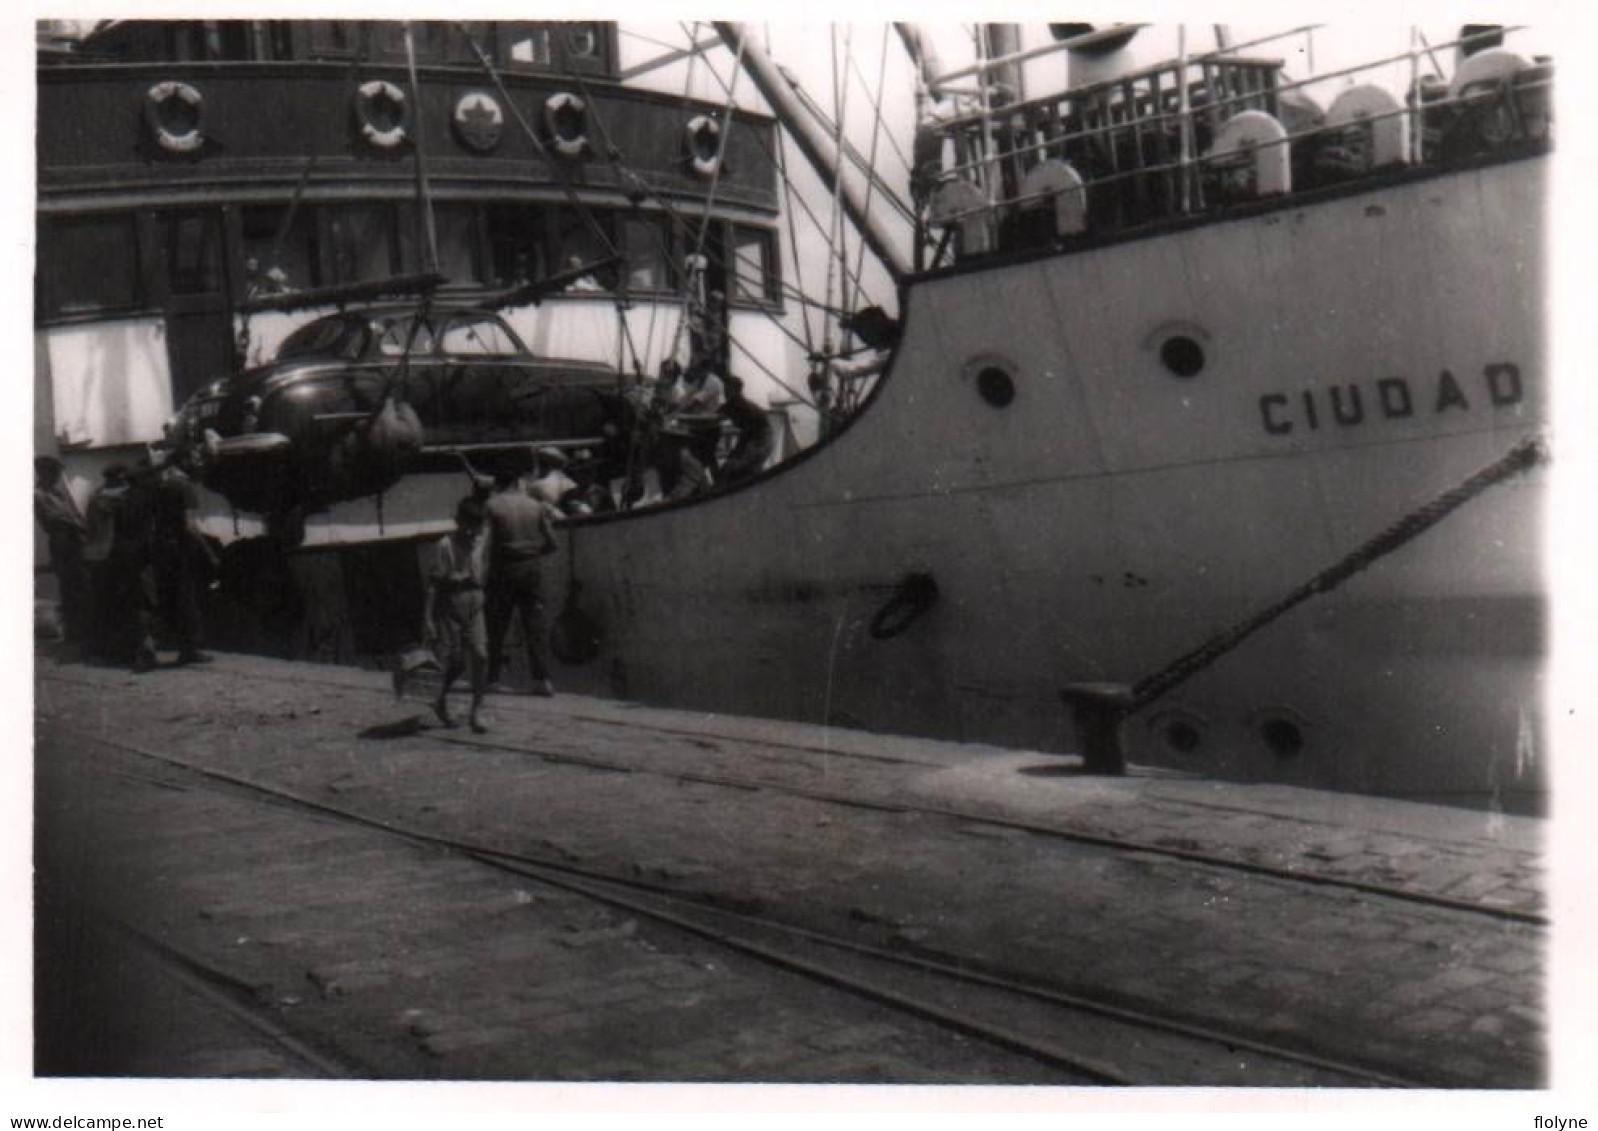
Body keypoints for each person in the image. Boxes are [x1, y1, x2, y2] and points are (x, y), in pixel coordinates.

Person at [483, 463, 560, 696]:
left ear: (497, 484)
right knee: (535, 625)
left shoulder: (492, 505)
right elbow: (553, 543)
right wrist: (533, 552)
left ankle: (493, 678)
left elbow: (485, 545)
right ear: (518, 482)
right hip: (531, 568)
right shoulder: (534, 505)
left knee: (496, 624)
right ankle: (542, 679)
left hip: (504, 567)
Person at [422, 496, 491, 732]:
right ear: (458, 521)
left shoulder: (483, 541)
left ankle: (477, 709)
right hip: (450, 606)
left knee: (481, 654)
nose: (472, 531)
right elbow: (433, 584)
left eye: (477, 525)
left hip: (475, 604)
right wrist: (428, 618)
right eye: (468, 524)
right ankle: (439, 700)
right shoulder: (444, 545)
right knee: (453, 662)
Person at [148, 452, 216, 666]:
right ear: (182, 462)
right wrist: (209, 553)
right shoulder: (184, 487)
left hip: (161, 548)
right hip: (180, 549)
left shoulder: (160, 486)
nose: (198, 462)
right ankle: (190, 649)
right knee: (187, 598)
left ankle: (163, 644)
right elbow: (189, 526)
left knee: (169, 598)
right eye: (194, 458)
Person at [34, 455, 89, 649]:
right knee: (70, 585)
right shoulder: (38, 495)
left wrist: (80, 523)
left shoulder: (57, 494)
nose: (57, 476)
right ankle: (74, 634)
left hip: (73, 539)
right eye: (54, 472)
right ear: (44, 472)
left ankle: (81, 630)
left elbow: (72, 514)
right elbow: (55, 518)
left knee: (80, 584)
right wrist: (78, 524)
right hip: (61, 540)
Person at [82, 464, 131, 661]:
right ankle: (110, 648)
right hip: (108, 555)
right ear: (120, 477)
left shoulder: (96, 496)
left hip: (95, 555)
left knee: (102, 603)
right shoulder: (112, 499)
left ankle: (100, 646)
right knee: (114, 603)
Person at [718, 375, 776, 484]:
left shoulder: (743, 407)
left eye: (728, 390)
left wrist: (736, 454)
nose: (725, 393)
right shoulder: (730, 405)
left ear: (736, 390)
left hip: (761, 440)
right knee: (731, 468)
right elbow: (715, 414)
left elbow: (748, 435)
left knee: (737, 469)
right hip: (753, 439)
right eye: (725, 390)